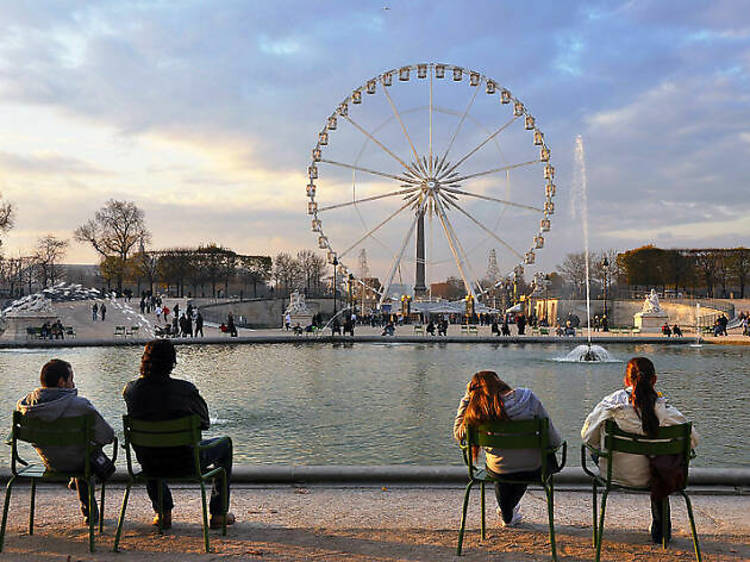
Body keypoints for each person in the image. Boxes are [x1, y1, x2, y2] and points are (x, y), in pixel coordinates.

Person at [581, 357, 699, 544]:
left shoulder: (611, 404)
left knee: (596, 448)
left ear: (626, 380)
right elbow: (692, 440)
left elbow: (587, 437)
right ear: (654, 380)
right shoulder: (666, 411)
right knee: (663, 462)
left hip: (616, 472)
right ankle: (662, 530)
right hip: (657, 476)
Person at [123, 339, 234, 530]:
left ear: (144, 361)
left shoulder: (131, 391)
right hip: (186, 462)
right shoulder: (186, 390)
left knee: (151, 450)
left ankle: (162, 512)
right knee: (225, 445)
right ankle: (218, 512)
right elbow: (205, 422)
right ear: (172, 362)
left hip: (150, 464)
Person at [453, 371, 562, 527]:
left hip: (499, 469)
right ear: (499, 382)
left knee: (502, 464)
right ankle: (507, 512)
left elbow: (458, 435)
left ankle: (507, 513)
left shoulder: (477, 410)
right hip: (533, 467)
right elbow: (554, 439)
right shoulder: (528, 398)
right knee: (523, 462)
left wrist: (466, 399)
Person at [17, 359, 115, 525]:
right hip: (79, 462)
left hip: (50, 462)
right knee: (90, 457)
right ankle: (87, 505)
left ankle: (75, 481)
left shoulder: (26, 405)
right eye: (71, 379)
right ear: (62, 382)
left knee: (76, 450)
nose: (73, 383)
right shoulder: (81, 405)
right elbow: (107, 436)